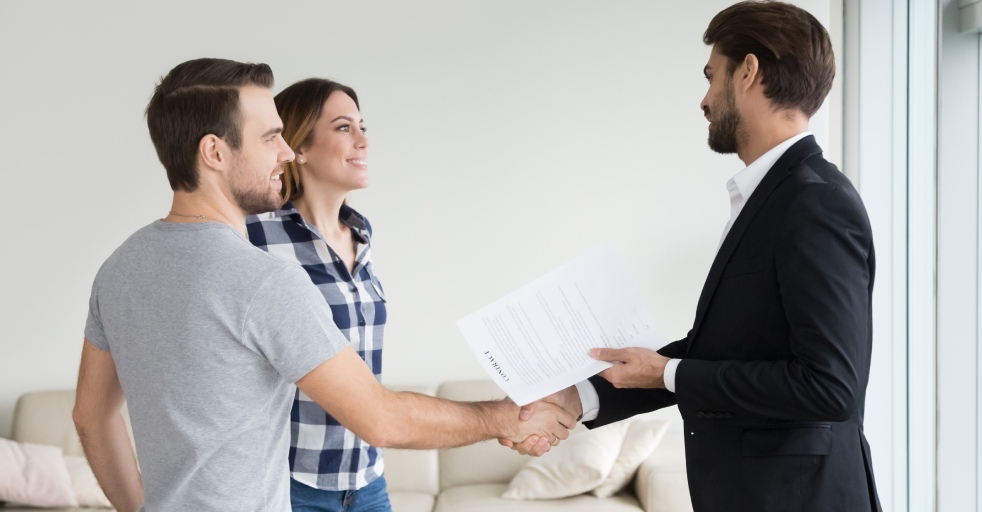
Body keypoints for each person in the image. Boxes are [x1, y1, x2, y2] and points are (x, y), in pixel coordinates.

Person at [71, 58, 575, 512]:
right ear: (215, 153)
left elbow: (90, 418)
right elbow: (380, 419)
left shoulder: (119, 268)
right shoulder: (263, 280)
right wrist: (503, 417)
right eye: (270, 137)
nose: (286, 152)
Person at [508, 2, 882, 511]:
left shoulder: (814, 201)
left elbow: (829, 386)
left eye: (712, 76)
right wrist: (580, 398)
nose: (704, 99)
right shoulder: (774, 195)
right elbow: (731, 351)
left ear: (748, 73)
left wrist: (664, 372)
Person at [244, 78, 390, 511]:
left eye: (363, 127)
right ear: (298, 147)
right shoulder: (256, 235)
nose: (363, 141)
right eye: (344, 128)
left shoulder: (361, 235)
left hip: (367, 481)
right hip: (292, 484)